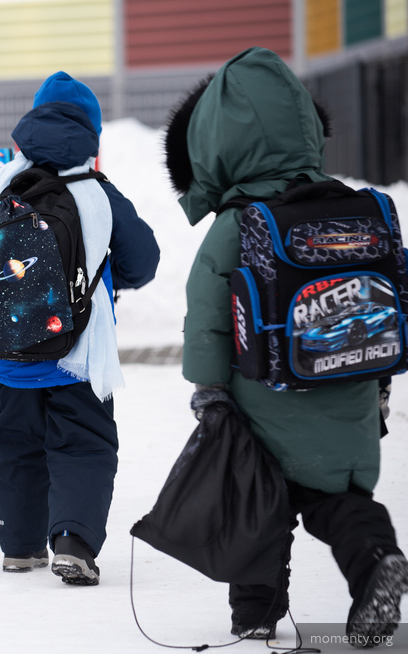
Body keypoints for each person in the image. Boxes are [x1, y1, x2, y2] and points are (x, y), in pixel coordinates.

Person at [166, 46, 408, 641]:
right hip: (349, 378)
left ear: (216, 144)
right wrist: (378, 381)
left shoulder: (237, 224)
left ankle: (255, 616)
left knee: (258, 507)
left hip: (263, 394)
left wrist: (209, 388)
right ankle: (377, 560)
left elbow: (207, 316)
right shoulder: (354, 207)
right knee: (337, 498)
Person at [0, 72, 157, 583]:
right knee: (83, 444)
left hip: (7, 351)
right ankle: (74, 542)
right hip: (77, 353)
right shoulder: (97, 193)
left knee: (16, 446)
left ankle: (19, 548)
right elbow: (143, 262)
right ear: (92, 133)